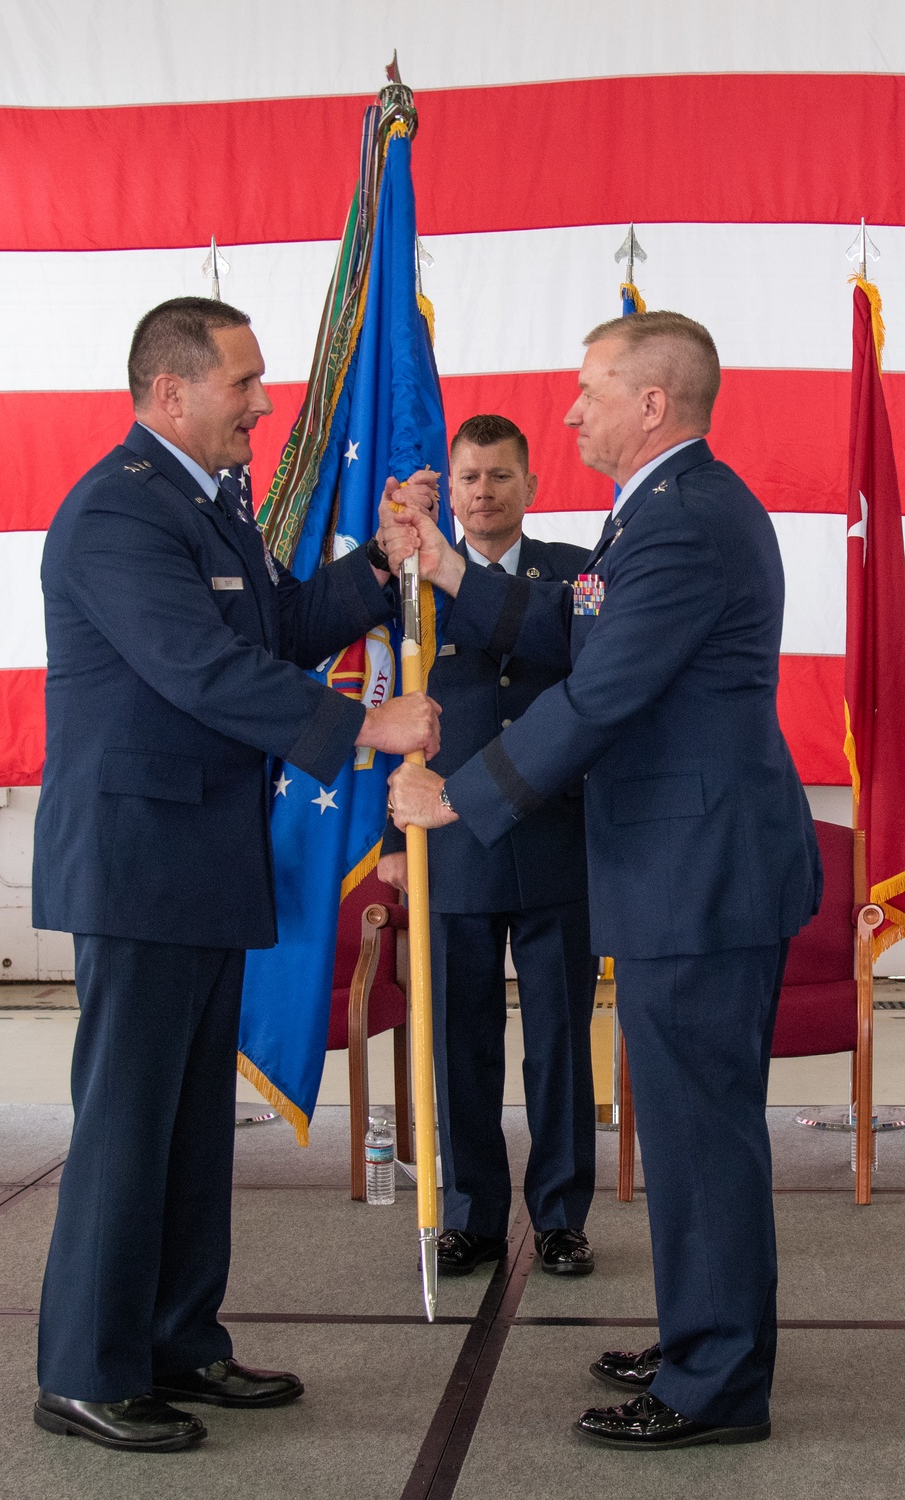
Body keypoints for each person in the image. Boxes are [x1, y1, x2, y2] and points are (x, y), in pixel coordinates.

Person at [383, 312, 821, 1451]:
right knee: (683, 1129)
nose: (569, 409)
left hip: (699, 873)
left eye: (587, 391)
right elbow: (569, 637)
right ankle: (701, 1341)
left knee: (698, 1134)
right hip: (681, 867)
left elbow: (599, 696)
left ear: (652, 405)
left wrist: (459, 796)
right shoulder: (659, 515)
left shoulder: (680, 525)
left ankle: (714, 1386)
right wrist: (443, 570)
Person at [31, 296, 440, 1453]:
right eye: (244, 384)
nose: (266, 405)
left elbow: (273, 630)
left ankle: (177, 1341)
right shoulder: (117, 513)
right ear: (171, 392)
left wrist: (375, 566)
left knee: (188, 1125)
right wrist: (369, 723)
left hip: (203, 859)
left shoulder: (211, 510)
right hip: (138, 867)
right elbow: (201, 669)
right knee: (127, 1123)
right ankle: (85, 1371)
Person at [378, 414, 597, 1279]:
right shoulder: (409, 585)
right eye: (468, 478)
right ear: (453, 490)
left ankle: (560, 1216)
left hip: (553, 836)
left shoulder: (576, 575)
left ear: (531, 487)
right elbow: (383, 711)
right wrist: (387, 835)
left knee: (559, 1043)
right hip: (449, 843)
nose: (482, 492)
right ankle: (469, 1210)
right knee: (456, 1039)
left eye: (501, 476)